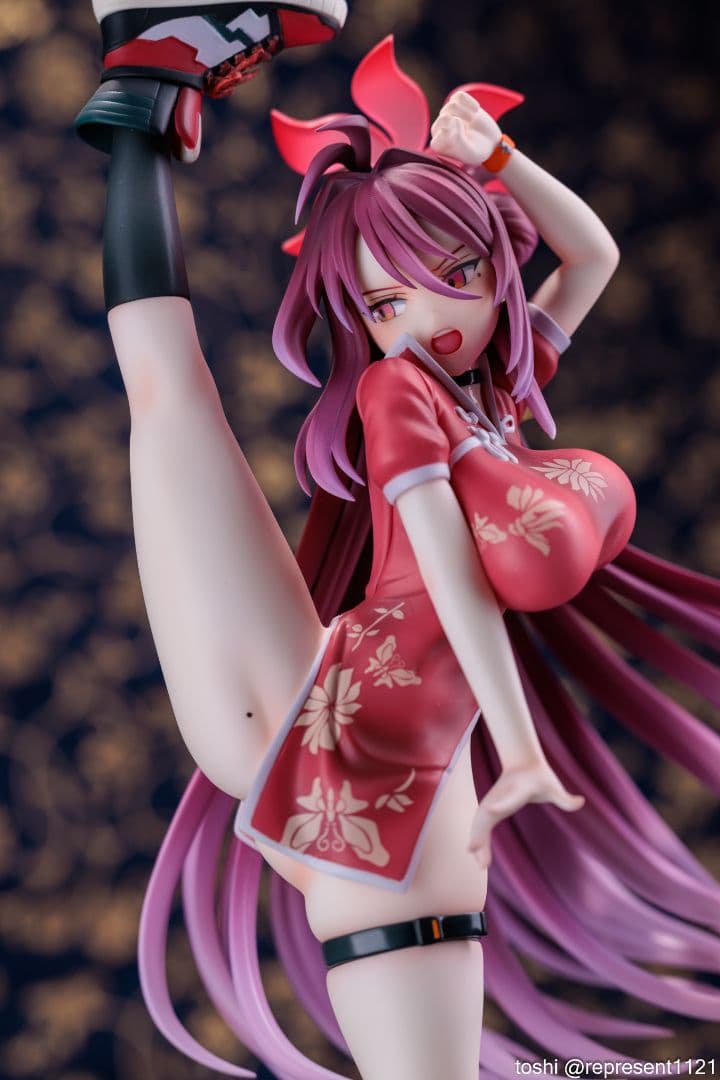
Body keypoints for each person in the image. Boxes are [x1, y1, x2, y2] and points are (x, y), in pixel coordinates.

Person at [76, 10, 720, 1079]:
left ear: (490, 264)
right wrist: (517, 745)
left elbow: (592, 255)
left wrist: (498, 159)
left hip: (339, 736)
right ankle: (146, 81)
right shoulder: (401, 393)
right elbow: (452, 583)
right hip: (347, 730)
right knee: (167, 391)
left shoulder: (491, 401)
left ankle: (147, 77)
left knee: (167, 392)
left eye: (451, 270)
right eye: (381, 301)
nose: (420, 319)